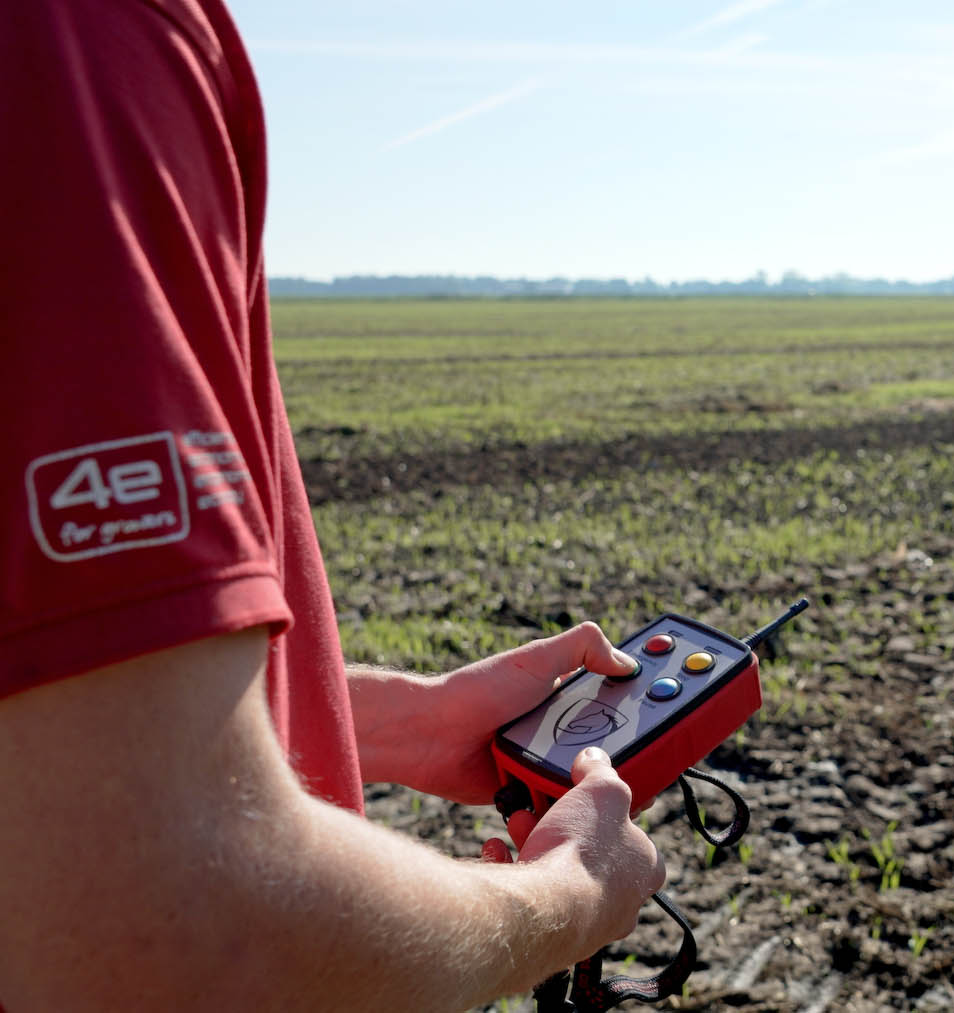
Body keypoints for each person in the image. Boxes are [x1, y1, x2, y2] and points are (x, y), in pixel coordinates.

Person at [0, 1, 665, 1009]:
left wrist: (401, 723)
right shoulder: (74, 36)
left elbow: (54, 716)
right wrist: (566, 897)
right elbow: (188, 928)